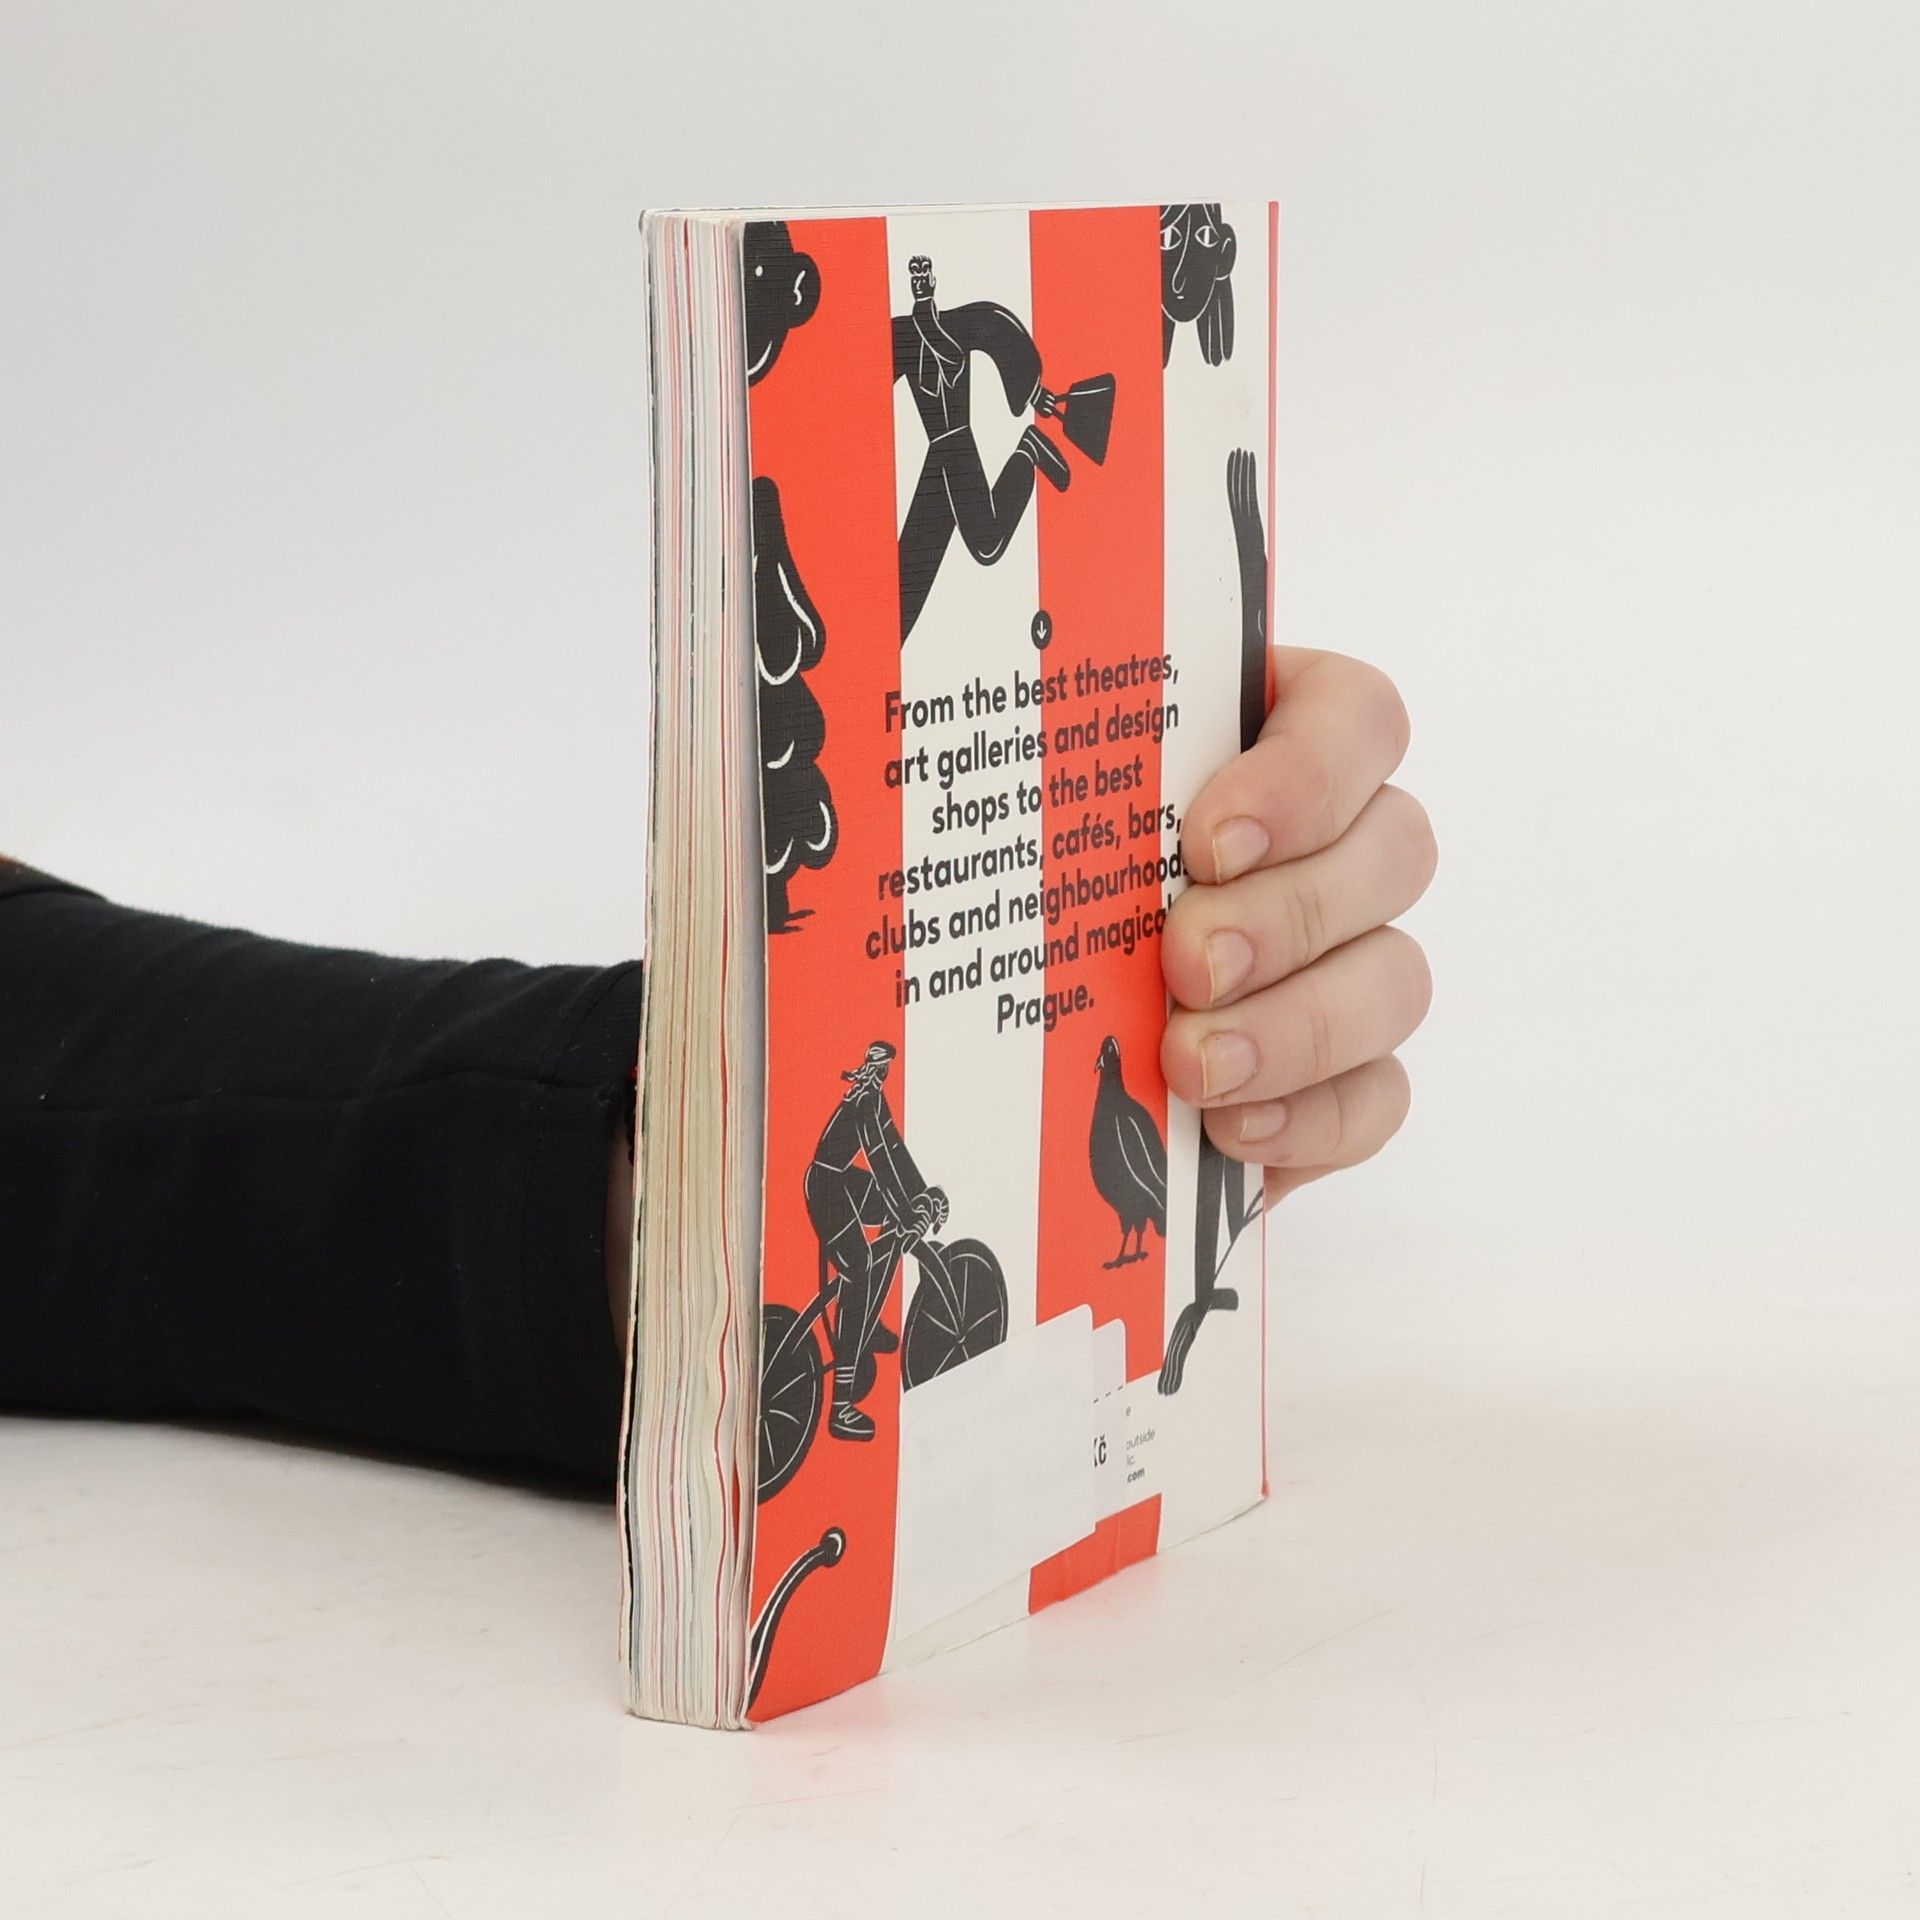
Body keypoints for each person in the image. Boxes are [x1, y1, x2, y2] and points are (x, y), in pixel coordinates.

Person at [0, 647, 1435, 1488]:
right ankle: (837, 1366)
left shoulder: (852, 1092)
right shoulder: (851, 1110)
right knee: (853, 1263)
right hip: (798, 1189)